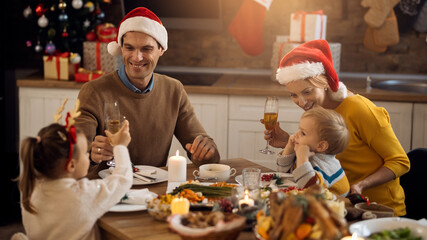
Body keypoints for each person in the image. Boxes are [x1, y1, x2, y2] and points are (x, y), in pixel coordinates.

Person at [265, 39, 410, 216]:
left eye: (307, 91)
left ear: (325, 82)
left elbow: (400, 162)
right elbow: (325, 154)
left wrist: (360, 185)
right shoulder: (316, 109)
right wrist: (289, 143)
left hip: (379, 209)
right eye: (293, 95)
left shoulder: (360, 109)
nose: (301, 102)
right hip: (341, 206)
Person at [75, 7, 220, 175]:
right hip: (107, 193)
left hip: (154, 194)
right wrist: (92, 156)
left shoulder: (174, 90)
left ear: (161, 50)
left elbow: (204, 153)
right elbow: (75, 160)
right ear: (121, 48)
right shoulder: (93, 91)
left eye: (146, 49)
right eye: (129, 48)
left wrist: (207, 151)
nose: (137, 57)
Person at [17, 103, 133, 240]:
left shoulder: (31, 189)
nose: (88, 155)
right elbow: (122, 181)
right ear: (71, 165)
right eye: (85, 153)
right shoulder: (82, 194)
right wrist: (120, 147)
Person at [277, 107, 350, 197]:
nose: (296, 134)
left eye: (303, 133)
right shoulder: (307, 153)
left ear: (320, 146)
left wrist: (302, 158)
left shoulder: (326, 166)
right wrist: (289, 148)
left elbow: (309, 188)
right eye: (299, 129)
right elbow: (282, 173)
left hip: (337, 205)